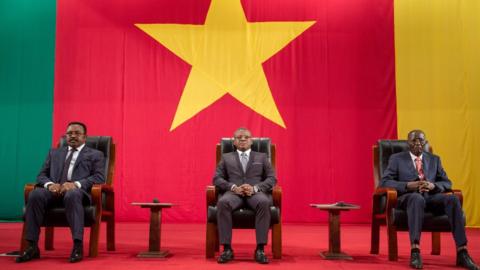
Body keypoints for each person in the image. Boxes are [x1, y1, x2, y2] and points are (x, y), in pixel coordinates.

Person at [380, 129, 478, 270]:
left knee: (453, 199)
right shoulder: (397, 159)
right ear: (408, 143)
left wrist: (434, 185)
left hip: (431, 197)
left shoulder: (434, 159)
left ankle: (462, 252)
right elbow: (385, 182)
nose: (418, 143)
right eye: (414, 140)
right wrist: (408, 185)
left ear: (425, 142)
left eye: (421, 140)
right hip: (408, 198)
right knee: (416, 198)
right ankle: (415, 251)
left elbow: (447, 182)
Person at [16, 122, 105, 263]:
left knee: (72, 194)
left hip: (78, 193)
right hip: (53, 192)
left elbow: (99, 177)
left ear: (85, 137)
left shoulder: (95, 154)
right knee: (35, 194)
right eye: (69, 133)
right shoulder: (54, 152)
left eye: (77, 133)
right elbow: (41, 175)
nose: (73, 136)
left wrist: (75, 184)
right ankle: (32, 246)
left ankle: (77, 246)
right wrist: (50, 185)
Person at [213, 127, 276, 264]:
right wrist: (233, 187)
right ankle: (227, 249)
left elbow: (272, 179)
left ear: (251, 141)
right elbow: (217, 179)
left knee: (264, 202)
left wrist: (255, 188)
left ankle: (260, 249)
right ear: (234, 142)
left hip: (255, 193)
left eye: (246, 137)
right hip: (233, 193)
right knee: (223, 202)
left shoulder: (262, 157)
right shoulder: (226, 158)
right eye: (238, 137)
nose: (242, 139)